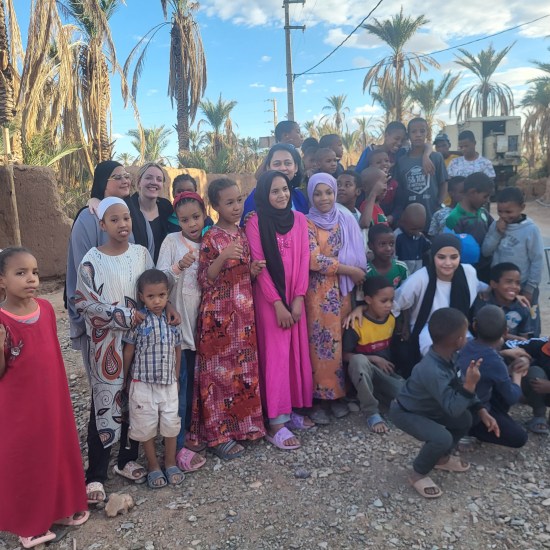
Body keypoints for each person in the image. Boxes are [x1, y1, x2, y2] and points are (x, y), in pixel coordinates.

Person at [0, 247, 89, 549]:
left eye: (35, 272)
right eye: (21, 273)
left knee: (55, 448)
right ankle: (28, 523)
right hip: (18, 405)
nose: (31, 279)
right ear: (2, 280)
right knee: (26, 457)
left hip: (52, 396)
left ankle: (59, 508)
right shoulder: (2, 319)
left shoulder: (47, 309)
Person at [75, 197, 155, 503]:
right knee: (105, 402)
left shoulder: (141, 254)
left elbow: (152, 287)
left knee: (134, 398)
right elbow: (85, 303)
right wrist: (122, 315)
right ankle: (96, 474)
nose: (122, 224)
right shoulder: (91, 260)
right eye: (114, 219)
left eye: (126, 218)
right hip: (105, 344)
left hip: (139, 340)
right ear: (102, 224)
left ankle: (126, 459)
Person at [190, 178, 266, 459]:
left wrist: (253, 270)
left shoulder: (244, 233)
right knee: (217, 376)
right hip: (218, 319)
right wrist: (222, 257)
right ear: (216, 206)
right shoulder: (211, 237)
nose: (236, 207)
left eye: (239, 200)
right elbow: (204, 279)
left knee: (242, 373)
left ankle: (244, 428)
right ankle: (218, 436)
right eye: (229, 202)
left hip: (243, 317)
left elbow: (243, 276)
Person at [389, 308, 500, 499]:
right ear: (458, 340)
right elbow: (452, 408)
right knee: (442, 438)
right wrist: (470, 385)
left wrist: (481, 409)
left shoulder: (450, 357)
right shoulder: (431, 369)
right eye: (466, 333)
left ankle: (441, 458)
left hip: (430, 406)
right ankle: (418, 474)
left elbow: (457, 387)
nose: (468, 337)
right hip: (406, 412)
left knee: (465, 420)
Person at [245, 171, 314, 450]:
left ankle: (292, 408)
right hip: (269, 301)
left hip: (295, 297)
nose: (282, 195)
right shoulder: (256, 222)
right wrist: (277, 303)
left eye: (285, 189)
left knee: (295, 353)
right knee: (276, 357)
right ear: (264, 194)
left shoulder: (300, 220)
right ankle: (275, 422)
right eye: (274, 191)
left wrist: (298, 299)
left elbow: (304, 259)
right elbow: (259, 265)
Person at [66, 161, 154, 367]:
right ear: (101, 183)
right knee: (106, 379)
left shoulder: (137, 216)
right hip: (102, 326)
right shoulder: (88, 219)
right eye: (117, 176)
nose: (125, 180)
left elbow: (148, 261)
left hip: (139, 322)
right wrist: (117, 314)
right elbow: (83, 274)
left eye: (126, 176)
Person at [305, 173, 367, 424]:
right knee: (321, 346)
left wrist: (352, 273)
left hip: (343, 292)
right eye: (318, 193)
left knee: (341, 343)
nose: (324, 198)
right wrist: (350, 270)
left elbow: (357, 252)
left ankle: (339, 395)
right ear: (310, 195)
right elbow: (314, 260)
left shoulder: (344, 218)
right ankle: (319, 400)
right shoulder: (307, 223)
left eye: (328, 192)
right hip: (319, 294)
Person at [156, 191, 209, 471]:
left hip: (202, 329)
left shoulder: (210, 243)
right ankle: (175, 447)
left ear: (205, 214)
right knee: (179, 387)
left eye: (196, 217)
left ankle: (190, 433)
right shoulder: (171, 241)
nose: (192, 224)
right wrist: (178, 266)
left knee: (195, 387)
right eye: (185, 219)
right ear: (177, 220)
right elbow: (157, 280)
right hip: (177, 329)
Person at [123, 269, 185, 488]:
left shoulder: (172, 321)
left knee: (170, 423)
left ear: (167, 295)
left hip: (168, 383)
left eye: (161, 295)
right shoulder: (138, 322)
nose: (157, 301)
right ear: (142, 297)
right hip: (142, 383)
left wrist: (176, 377)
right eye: (151, 296)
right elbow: (129, 351)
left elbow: (178, 349)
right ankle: (153, 465)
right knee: (144, 425)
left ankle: (170, 462)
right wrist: (124, 378)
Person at [393, 234, 488, 360]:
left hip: (459, 327)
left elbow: (483, 288)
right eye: (441, 257)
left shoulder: (468, 272)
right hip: (428, 330)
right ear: (433, 256)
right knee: (439, 359)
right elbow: (395, 303)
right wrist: (403, 324)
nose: (448, 263)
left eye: (454, 257)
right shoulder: (420, 279)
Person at [457, 305, 528, 448]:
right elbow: (512, 397)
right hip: (474, 411)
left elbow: (484, 360)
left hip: (459, 403)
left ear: (474, 326)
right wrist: (517, 375)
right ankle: (470, 431)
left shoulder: (466, 345)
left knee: (496, 382)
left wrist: (504, 354)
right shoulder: (495, 362)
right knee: (520, 437)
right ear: (506, 331)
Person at [343, 276, 404, 433]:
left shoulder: (391, 319)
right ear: (368, 300)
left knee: (408, 395)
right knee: (358, 360)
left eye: (391, 300)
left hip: (384, 375)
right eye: (383, 301)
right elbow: (343, 355)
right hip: (363, 373)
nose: (389, 305)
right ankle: (372, 412)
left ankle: (383, 398)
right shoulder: (356, 323)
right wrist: (374, 359)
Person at [482, 186, 543, 336]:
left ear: (522, 208)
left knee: (529, 323)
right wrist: (497, 233)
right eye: (500, 211)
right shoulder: (495, 225)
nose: (504, 216)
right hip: (500, 286)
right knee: (504, 323)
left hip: (523, 285)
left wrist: (529, 288)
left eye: (509, 212)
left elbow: (537, 260)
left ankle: (531, 346)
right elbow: (486, 251)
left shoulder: (531, 230)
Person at [394, 118, 448, 230]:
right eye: (414, 132)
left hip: (432, 214)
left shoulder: (436, 157)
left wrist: (439, 204)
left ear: (427, 133)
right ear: (408, 135)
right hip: (410, 218)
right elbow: (399, 188)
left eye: (422, 131)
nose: (418, 135)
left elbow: (443, 182)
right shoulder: (401, 161)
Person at [446, 172, 494, 282]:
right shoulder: (454, 218)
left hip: (486, 268)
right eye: (485, 196)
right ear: (472, 192)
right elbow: (451, 248)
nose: (487, 200)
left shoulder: (483, 212)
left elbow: (494, 229)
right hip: (466, 272)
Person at [243, 143, 308, 223]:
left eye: (288, 163)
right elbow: (246, 227)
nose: (283, 168)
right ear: (268, 167)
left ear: (296, 167)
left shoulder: (299, 197)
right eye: (277, 164)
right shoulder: (256, 197)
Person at [128, 162, 178, 263]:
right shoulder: (127, 209)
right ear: (139, 182)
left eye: (159, 179)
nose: (154, 182)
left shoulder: (166, 207)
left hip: (164, 269)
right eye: (148, 178)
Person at [366, 224, 408, 289]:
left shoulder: (401, 267)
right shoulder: (366, 272)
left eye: (391, 244)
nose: (388, 248)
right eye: (382, 244)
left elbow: (406, 291)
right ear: (370, 245)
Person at [394, 203, 431, 275]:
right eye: (413, 229)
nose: (416, 232)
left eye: (420, 228)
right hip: (402, 273)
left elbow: (428, 248)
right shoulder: (397, 236)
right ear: (402, 222)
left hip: (417, 274)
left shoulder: (420, 236)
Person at [368, 148, 398, 223]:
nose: (384, 164)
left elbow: (399, 205)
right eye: (378, 162)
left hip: (391, 221)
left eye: (387, 161)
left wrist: (392, 216)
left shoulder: (394, 184)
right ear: (370, 166)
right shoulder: (367, 183)